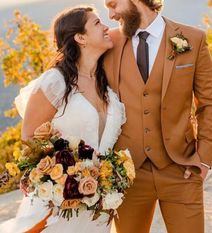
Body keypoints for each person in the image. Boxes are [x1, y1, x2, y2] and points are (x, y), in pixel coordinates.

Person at [0, 6, 125, 233]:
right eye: (97, 24)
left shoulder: (106, 83)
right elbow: (29, 137)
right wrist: (64, 173)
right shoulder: (55, 82)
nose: (106, 26)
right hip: (58, 202)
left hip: (98, 204)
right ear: (80, 37)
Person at [103, 0, 212, 232]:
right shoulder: (110, 43)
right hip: (128, 175)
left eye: (113, 4)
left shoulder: (193, 39)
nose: (111, 14)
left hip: (181, 170)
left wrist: (203, 159)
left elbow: (207, 104)